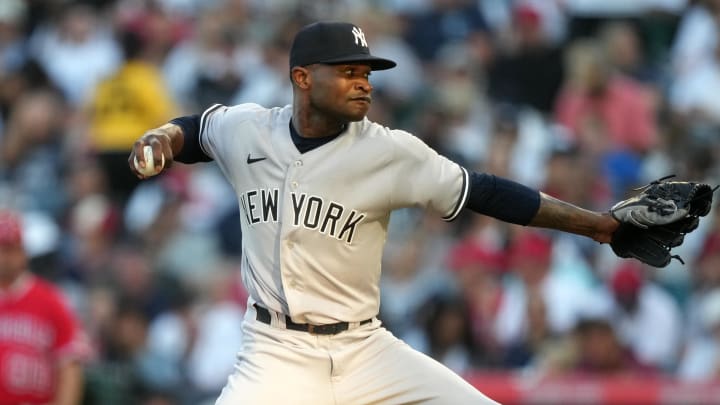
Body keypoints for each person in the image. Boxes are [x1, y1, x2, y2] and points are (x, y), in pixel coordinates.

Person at [129, 21, 619, 405]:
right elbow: (193, 131)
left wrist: (599, 226)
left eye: (365, 74)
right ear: (302, 77)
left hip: (365, 349)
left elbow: (487, 192)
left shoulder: (391, 152)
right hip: (276, 352)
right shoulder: (248, 129)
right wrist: (160, 138)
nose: (363, 84)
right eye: (347, 72)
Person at [0, 209, 91, 404]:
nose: (3, 258)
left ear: (22, 251)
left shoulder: (52, 301)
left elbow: (70, 368)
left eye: (9, 249)